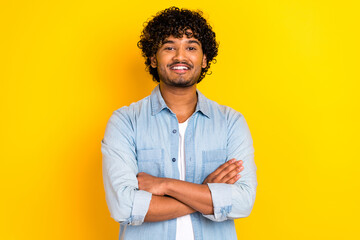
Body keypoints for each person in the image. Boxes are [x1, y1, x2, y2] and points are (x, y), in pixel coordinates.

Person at [101, 6, 257, 240]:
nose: (180, 57)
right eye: (169, 47)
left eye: (191, 47)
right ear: (153, 59)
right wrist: (205, 193)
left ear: (204, 59)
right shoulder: (125, 122)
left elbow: (243, 202)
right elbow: (124, 206)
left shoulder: (231, 123)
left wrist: (165, 185)